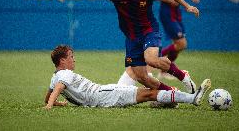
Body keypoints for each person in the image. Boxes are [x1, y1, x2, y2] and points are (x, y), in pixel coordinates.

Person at [65, 0, 199, 94]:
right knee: (142, 77)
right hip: (132, 38)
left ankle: (183, 76)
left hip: (149, 31)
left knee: (151, 59)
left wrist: (187, 6)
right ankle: (171, 93)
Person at [44, 45, 211, 109]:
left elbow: (49, 95)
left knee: (139, 76)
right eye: (71, 56)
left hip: (102, 94)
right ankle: (190, 97)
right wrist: (50, 106)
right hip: (103, 95)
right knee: (150, 93)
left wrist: (54, 102)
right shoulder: (65, 73)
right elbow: (58, 88)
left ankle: (169, 99)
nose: (74, 59)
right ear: (62, 60)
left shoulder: (55, 76)